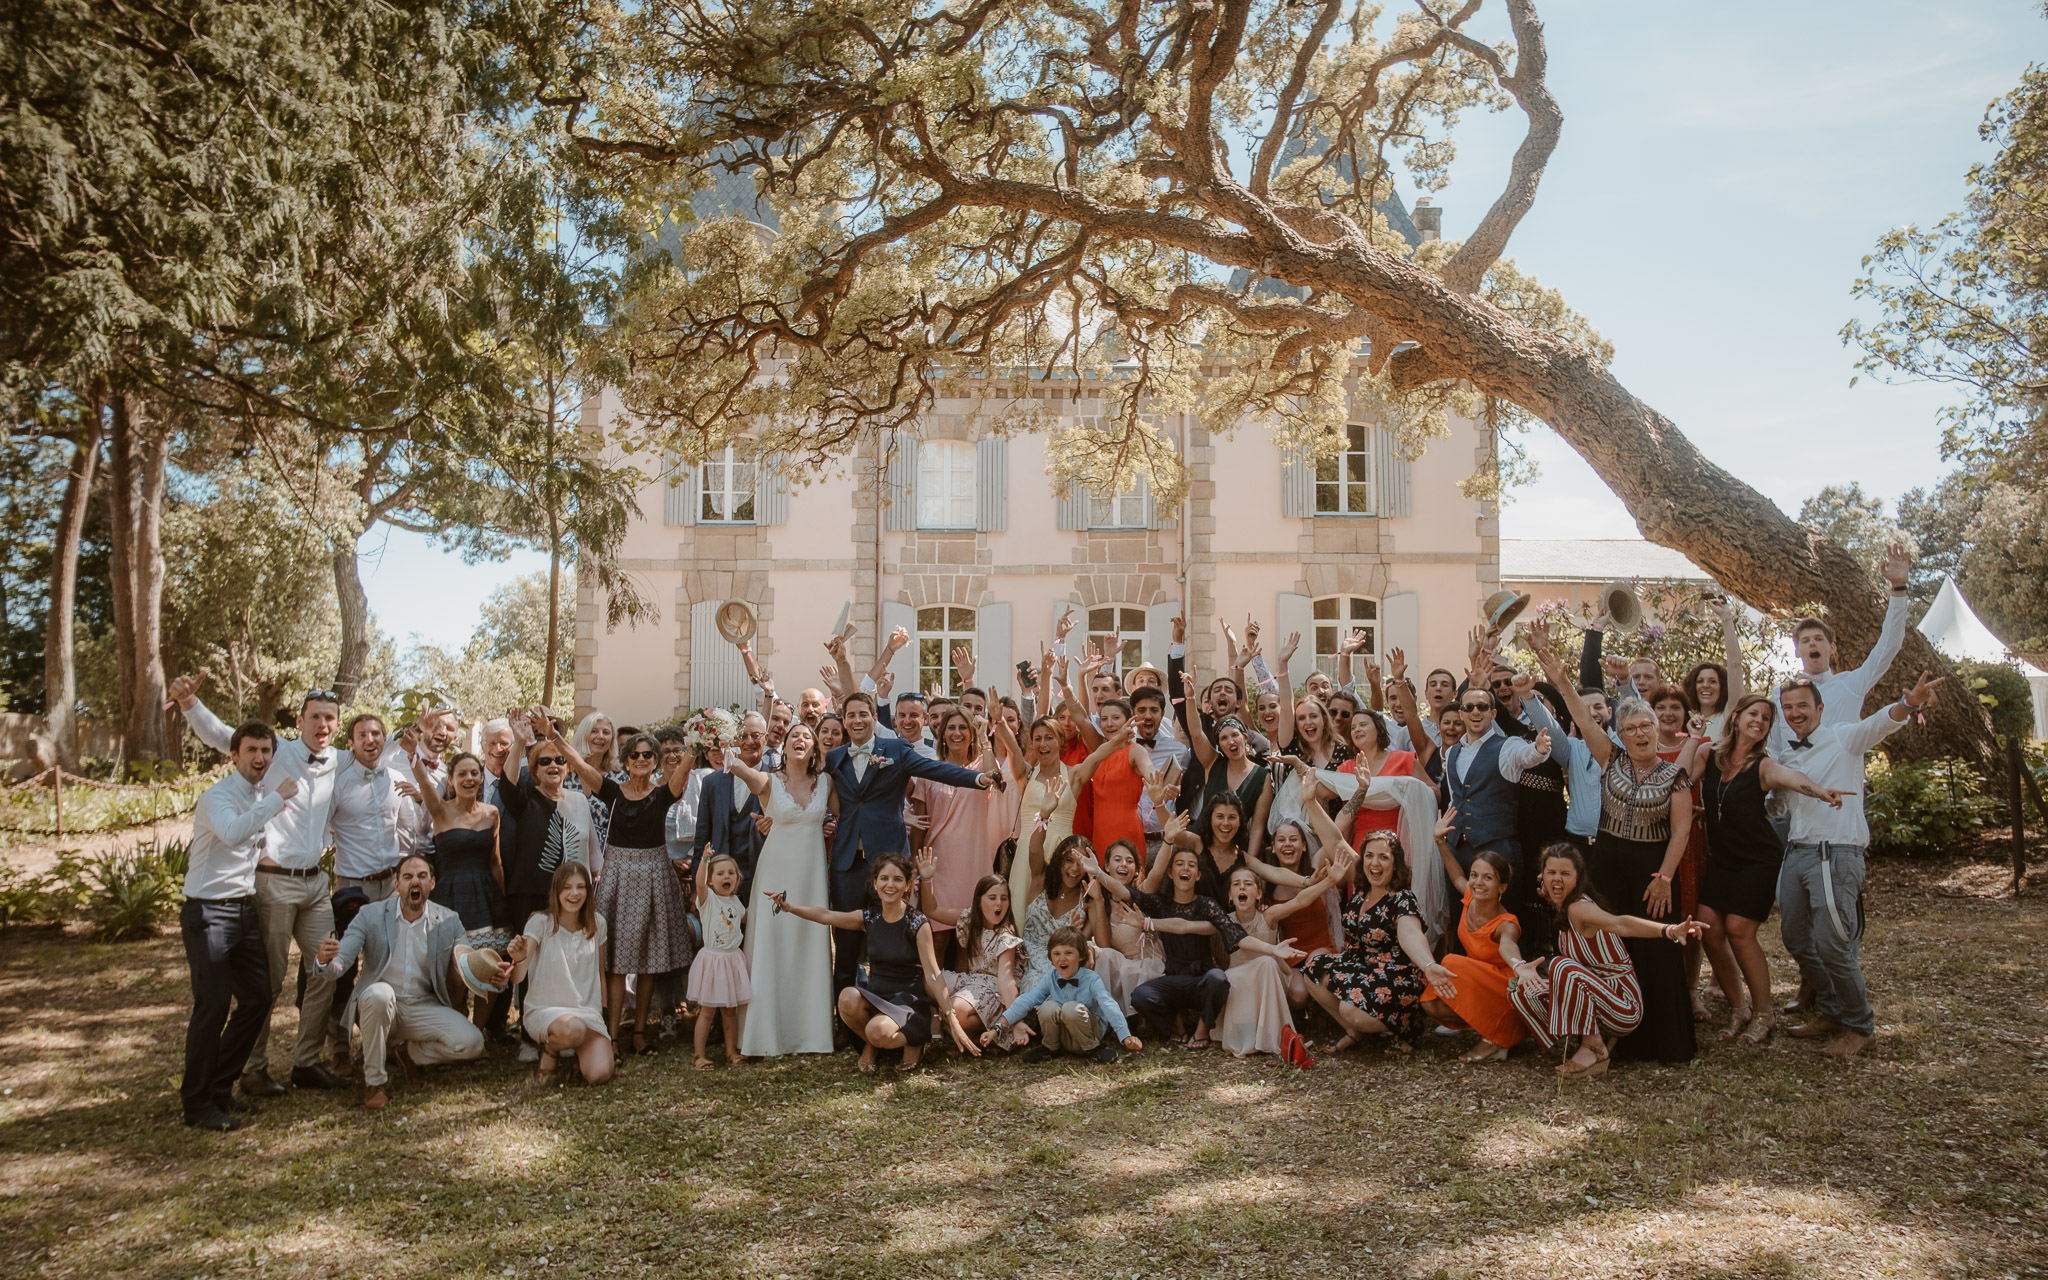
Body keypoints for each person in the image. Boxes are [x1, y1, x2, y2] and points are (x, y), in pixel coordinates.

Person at [170, 675, 346, 1095]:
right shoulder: (275, 751)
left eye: (330, 718)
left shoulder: (342, 758)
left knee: (327, 969)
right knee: (267, 980)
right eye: (315, 717)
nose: (322, 725)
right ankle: (255, 1067)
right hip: (272, 883)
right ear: (300, 721)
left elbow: (383, 749)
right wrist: (191, 703)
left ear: (337, 725)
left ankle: (305, 1062)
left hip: (315, 884)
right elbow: (221, 734)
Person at [1774, 669, 1941, 1056]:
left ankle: (1860, 1025)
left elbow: (1880, 723)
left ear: (1819, 707)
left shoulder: (1843, 737)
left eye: (1802, 705)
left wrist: (1907, 703)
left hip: (1834, 853)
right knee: (1796, 939)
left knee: (1832, 943)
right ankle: (1832, 1010)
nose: (1795, 713)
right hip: (1797, 853)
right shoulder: (1786, 753)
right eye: (1788, 708)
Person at [1544, 679, 1699, 1065]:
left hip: (1653, 870)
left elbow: (1681, 831)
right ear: (1622, 735)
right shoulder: (1610, 757)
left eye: (1645, 726)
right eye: (1630, 729)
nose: (1639, 734)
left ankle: (1662, 1043)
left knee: (1655, 949)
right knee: (1610, 946)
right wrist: (1560, 678)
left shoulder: (1675, 776)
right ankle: (1605, 1036)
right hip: (1607, 865)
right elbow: (1581, 715)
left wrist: (1664, 878)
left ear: (1656, 730)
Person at [1683, 692, 1852, 1043]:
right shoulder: (1709, 755)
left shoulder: (1763, 765)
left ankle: (1763, 1014)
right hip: (1722, 859)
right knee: (1709, 929)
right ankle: (1738, 1008)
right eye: (1753, 714)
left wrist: (1821, 792)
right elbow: (1680, 781)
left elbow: (1793, 779)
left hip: (1757, 860)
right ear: (1736, 718)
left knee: (1740, 931)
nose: (1759, 721)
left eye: (1765, 719)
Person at [821, 689, 997, 997]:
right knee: (846, 940)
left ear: (874, 719)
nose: (857, 719)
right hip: (847, 861)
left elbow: (935, 769)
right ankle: (844, 1022)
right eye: (851, 715)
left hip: (889, 860)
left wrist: (977, 779)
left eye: (864, 714)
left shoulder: (896, 749)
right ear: (845, 721)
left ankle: (895, 1004)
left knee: (893, 936)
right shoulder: (834, 758)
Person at [178, 721, 301, 1130]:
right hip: (208, 912)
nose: (260, 759)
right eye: (251, 750)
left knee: (257, 998)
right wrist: (278, 800)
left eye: (266, 751)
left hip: (243, 908)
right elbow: (232, 834)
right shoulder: (219, 797)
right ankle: (196, 1105)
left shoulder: (257, 793)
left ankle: (219, 1087)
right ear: (234, 755)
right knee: (211, 1006)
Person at [548, 720, 693, 1055]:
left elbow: (685, 765)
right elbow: (582, 765)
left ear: (655, 761)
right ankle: (611, 1036)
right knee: (614, 961)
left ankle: (640, 1032)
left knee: (648, 961)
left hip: (655, 874)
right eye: (635, 755)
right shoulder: (612, 791)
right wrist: (555, 736)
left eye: (647, 755)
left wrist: (701, 738)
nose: (641, 759)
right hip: (618, 876)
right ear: (626, 761)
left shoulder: (662, 794)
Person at [1509, 844, 1705, 1078]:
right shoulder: (1561, 905)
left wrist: (1669, 930)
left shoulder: (1578, 908)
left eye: (1565, 873)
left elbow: (1620, 923)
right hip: (1597, 998)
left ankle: (1593, 1048)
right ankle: (1587, 1037)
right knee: (1521, 989)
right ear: (1542, 876)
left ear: (1579, 877)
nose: (1557, 879)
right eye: (1551, 873)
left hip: (1623, 1006)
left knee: (1560, 966)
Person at [1089, 844, 1304, 1051]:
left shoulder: (1207, 905)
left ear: (1198, 875)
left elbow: (1235, 933)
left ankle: (1202, 1031)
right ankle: (1177, 1026)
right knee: (1141, 996)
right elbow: (1125, 892)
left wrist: (1272, 949)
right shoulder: (1159, 903)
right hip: (1172, 977)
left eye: (1191, 865)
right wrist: (1098, 873)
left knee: (1219, 978)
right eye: (1180, 864)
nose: (1185, 868)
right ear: (1171, 873)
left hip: (1202, 979)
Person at [315, 854, 486, 1110]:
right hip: (380, 1006)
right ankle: (374, 1082)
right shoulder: (369, 915)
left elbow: (467, 962)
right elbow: (341, 962)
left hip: (423, 1007)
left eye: (421, 876)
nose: (414, 881)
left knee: (472, 1043)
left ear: (432, 884)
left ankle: (406, 1052)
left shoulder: (449, 920)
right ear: (396, 885)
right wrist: (325, 961)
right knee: (379, 995)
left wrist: (488, 972)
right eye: (407, 877)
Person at [768, 853, 956, 1071]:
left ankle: (914, 1041)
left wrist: (951, 1018)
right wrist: (790, 908)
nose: (890, 884)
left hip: (908, 1003)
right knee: (847, 997)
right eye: (884, 878)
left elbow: (933, 973)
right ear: (875, 884)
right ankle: (871, 1045)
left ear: (907, 886)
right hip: (877, 998)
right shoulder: (869, 918)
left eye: (897, 879)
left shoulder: (917, 922)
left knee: (877, 1031)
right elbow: (827, 916)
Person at [721, 723, 837, 1057]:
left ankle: (810, 1035)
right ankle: (764, 1034)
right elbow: (746, 774)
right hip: (776, 873)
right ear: (783, 748)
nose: (800, 740)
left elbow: (849, 815)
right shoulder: (769, 781)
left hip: (811, 876)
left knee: (808, 941)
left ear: (815, 749)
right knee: (773, 943)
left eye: (807, 737)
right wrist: (734, 759)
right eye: (794, 737)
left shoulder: (826, 783)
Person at [495, 715, 598, 1063]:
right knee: (530, 957)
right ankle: (529, 1035)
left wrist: (592, 882)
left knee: (569, 960)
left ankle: (570, 1022)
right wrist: (519, 741)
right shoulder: (525, 797)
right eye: (544, 761)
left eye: (559, 760)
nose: (553, 765)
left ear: (568, 766)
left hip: (573, 894)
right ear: (533, 769)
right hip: (532, 892)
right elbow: (507, 784)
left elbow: (591, 846)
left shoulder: (579, 801)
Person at [1295, 822, 1437, 1054]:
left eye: (1383, 857)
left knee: (1350, 1010)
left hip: (1396, 973)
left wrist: (1428, 965)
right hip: (1363, 965)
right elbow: (1336, 840)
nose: (1375, 863)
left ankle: (1404, 1029)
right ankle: (1355, 1032)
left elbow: (1410, 934)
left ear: (1395, 863)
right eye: (1369, 856)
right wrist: (1309, 801)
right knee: (1313, 969)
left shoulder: (1403, 898)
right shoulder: (1361, 892)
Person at [1769, 543, 1913, 753]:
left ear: (1832, 648)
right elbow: (1773, 748)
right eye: (1805, 640)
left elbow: (1889, 646)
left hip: (1841, 782)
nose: (1812, 643)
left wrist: (1899, 589)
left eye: (1818, 638)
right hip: (1793, 783)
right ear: (1797, 651)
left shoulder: (1851, 684)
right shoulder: (1778, 694)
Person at [1421, 816, 1530, 1062]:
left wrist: (1520, 967)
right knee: (1432, 1004)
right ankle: (1488, 1028)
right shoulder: (1470, 896)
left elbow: (1509, 946)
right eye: (1475, 875)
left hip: (1504, 989)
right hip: (1478, 982)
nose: (1478, 883)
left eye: (1488, 878)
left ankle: (1497, 1036)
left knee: (1450, 962)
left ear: (1502, 887)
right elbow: (1456, 875)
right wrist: (1440, 841)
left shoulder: (1506, 924)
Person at [1216, 860, 1341, 1058]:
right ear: (1230, 895)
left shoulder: (1268, 916)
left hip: (1271, 979)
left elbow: (1300, 901)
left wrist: (1328, 881)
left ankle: (1273, 1037)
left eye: (1248, 884)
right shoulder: (1224, 920)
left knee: (1267, 963)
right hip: (1239, 983)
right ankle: (1249, 1036)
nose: (1242, 887)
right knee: (1244, 970)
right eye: (1236, 884)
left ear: (1258, 894)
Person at [504, 861, 613, 1086]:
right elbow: (518, 977)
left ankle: (577, 1052)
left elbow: (600, 974)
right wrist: (519, 958)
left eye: (580, 887)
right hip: (546, 1010)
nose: (574, 893)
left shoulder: (598, 923)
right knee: (574, 1029)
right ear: (556, 891)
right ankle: (551, 1050)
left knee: (599, 1074)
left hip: (587, 1014)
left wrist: (603, 1013)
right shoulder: (540, 922)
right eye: (567, 887)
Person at [1439, 687, 1554, 899]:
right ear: (1461, 714)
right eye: (1469, 707)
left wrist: (1538, 750)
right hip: (1457, 850)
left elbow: (1527, 755)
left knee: (1502, 918)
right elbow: (1457, 799)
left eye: (1482, 707)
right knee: (1460, 918)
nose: (1476, 712)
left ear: (1493, 713)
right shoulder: (1452, 751)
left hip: (1496, 847)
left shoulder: (1508, 746)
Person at [910, 707, 1010, 932]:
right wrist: (913, 866)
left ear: (971, 734)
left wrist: (985, 739)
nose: (957, 733)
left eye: (963, 728)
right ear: (943, 733)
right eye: (952, 728)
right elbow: (920, 822)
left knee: (971, 935)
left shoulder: (981, 767)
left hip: (973, 859)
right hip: (938, 861)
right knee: (938, 933)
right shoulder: (930, 771)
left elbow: (995, 777)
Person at [982, 925, 1142, 1063]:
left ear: (1081, 956)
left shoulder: (1092, 979)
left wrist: (1125, 1036)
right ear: (1050, 957)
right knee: (1047, 1007)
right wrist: (996, 1029)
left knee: (1070, 1008)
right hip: (1066, 1036)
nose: (1062, 959)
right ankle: (1050, 1048)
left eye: (1068, 953)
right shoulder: (1051, 977)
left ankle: (1094, 1049)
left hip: (1089, 1032)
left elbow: (1109, 1006)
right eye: (1056, 954)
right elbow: (1026, 1000)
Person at [916, 855, 1025, 1051]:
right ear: (979, 901)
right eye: (992, 898)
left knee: (956, 1010)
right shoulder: (969, 918)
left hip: (995, 990)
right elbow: (931, 910)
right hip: (972, 981)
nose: (999, 904)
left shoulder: (1006, 935)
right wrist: (926, 879)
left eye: (1004, 898)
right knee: (927, 981)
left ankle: (977, 1025)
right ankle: (941, 1016)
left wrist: (1016, 1019)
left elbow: (1006, 980)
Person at [328, 712, 429, 904]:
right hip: (353, 885)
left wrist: (419, 801)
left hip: (393, 885)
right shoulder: (337, 784)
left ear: (385, 740)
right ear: (351, 743)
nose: (369, 740)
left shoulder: (397, 778)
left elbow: (412, 829)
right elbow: (320, 826)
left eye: (375, 734)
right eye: (362, 735)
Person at [994, 714, 1076, 916]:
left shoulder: (1074, 774)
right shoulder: (1026, 774)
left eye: (1049, 737)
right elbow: (1013, 748)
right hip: (1026, 852)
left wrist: (1118, 740)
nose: (1043, 743)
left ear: (1060, 741)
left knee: (1058, 913)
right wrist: (999, 720)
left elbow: (1097, 756)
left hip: (1061, 849)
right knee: (1022, 910)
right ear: (1031, 743)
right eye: (1037, 738)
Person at [412, 752, 504, 932]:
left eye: (474, 773)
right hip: (450, 894)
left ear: (481, 777)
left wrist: (502, 898)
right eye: (462, 774)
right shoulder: (440, 810)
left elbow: (496, 862)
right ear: (451, 780)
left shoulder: (492, 813)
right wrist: (412, 752)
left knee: (487, 957)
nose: (469, 778)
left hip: (487, 894)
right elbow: (423, 780)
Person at [693, 712, 770, 908]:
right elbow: (702, 836)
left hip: (762, 878)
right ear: (732, 740)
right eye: (742, 736)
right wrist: (698, 884)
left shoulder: (777, 779)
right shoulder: (712, 783)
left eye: (755, 735)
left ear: (766, 738)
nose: (749, 742)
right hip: (721, 882)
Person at [688, 853, 753, 1069]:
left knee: (729, 1011)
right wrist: (705, 861)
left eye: (731, 873)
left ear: (737, 878)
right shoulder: (708, 900)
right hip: (713, 962)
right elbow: (698, 882)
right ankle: (698, 1054)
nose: (727, 876)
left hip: (733, 960)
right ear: (710, 879)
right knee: (707, 1012)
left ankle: (731, 1051)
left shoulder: (736, 901)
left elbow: (747, 916)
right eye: (720, 873)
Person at [1089, 842, 1166, 1014]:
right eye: (1118, 859)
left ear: (1137, 870)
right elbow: (1103, 944)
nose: (1124, 864)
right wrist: (1099, 901)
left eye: (1129, 861)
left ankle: (1143, 1015)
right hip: (1121, 967)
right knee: (1103, 955)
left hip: (1150, 963)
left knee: (1136, 968)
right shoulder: (1099, 901)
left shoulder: (1142, 893)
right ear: (1107, 866)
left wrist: (1167, 840)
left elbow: (1158, 871)